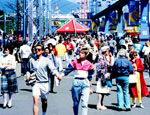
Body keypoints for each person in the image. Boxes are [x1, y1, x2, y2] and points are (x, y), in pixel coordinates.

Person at [58, 47, 94, 115]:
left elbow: (90, 77)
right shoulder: (75, 62)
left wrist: (91, 88)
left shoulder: (89, 64)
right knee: (75, 104)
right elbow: (67, 70)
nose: (80, 54)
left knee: (84, 104)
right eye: (79, 52)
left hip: (85, 84)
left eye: (82, 53)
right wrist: (61, 75)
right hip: (76, 83)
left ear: (86, 54)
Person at [26, 44, 60, 115]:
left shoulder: (46, 60)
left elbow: (53, 69)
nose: (37, 51)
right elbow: (28, 70)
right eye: (36, 49)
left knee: (44, 101)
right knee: (36, 100)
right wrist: (28, 76)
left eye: (38, 49)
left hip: (44, 83)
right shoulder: (31, 60)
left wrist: (57, 75)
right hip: (35, 83)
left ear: (42, 51)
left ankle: (44, 113)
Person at [95, 46, 114, 110]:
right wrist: (105, 73)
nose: (109, 52)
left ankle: (101, 104)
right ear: (105, 51)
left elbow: (109, 65)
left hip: (104, 76)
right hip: (102, 76)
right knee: (100, 91)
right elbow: (98, 68)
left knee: (103, 91)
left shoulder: (104, 57)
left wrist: (111, 58)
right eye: (108, 51)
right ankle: (99, 104)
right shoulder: (101, 58)